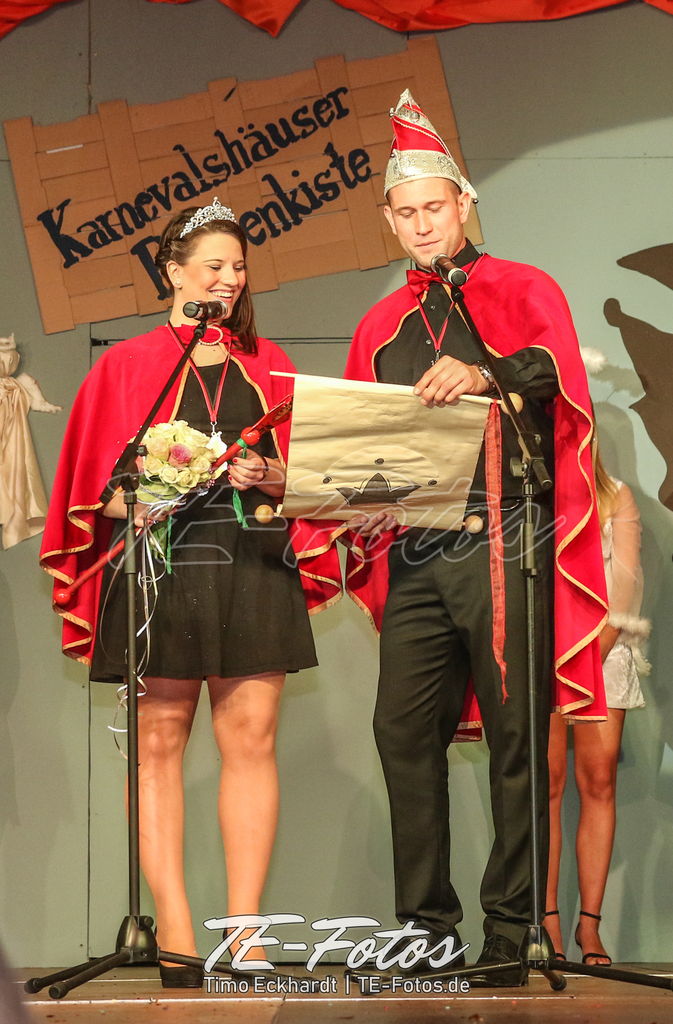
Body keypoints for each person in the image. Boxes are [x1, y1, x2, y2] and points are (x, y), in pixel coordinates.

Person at [40, 199, 341, 988]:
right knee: (158, 747)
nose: (228, 280)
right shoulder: (127, 367)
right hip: (160, 571)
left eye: (237, 267)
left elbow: (309, 479)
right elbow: (91, 494)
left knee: (251, 743)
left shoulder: (268, 364)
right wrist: (146, 495)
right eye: (212, 266)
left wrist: (268, 472)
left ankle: (245, 935)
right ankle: (174, 930)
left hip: (251, 562)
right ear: (173, 273)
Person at [343, 91, 607, 986]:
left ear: (463, 205)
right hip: (415, 547)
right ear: (388, 220)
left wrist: (485, 371)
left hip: (506, 534)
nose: (422, 224)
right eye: (405, 212)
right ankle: (425, 930)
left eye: (434, 207)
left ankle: (508, 931)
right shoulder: (378, 326)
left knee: (514, 735)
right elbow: (359, 439)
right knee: (400, 731)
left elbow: (554, 371)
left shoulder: (523, 287)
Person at [544, 439, 649, 966]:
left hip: (602, 655)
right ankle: (546, 926)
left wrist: (586, 658)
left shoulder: (616, 495)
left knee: (599, 781)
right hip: (540, 653)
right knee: (544, 787)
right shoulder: (527, 498)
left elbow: (624, 591)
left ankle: (590, 927)